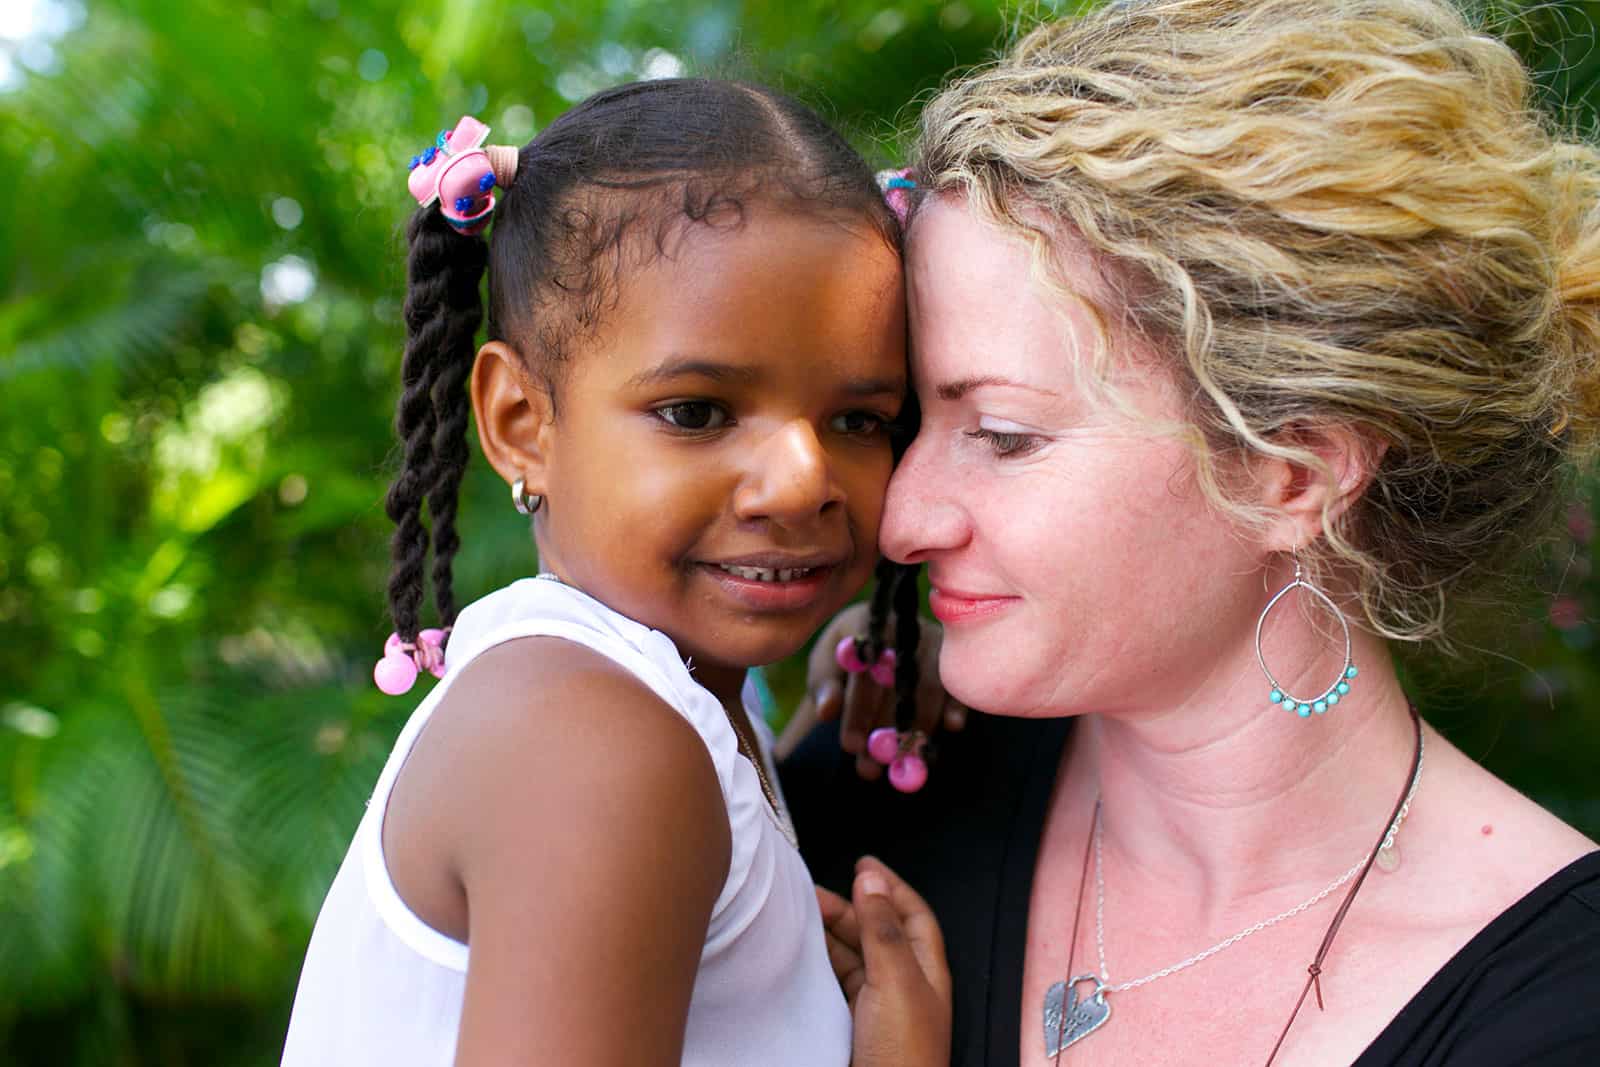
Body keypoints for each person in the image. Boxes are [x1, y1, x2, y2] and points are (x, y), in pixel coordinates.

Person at [784, 0, 1600, 1063]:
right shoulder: (874, 806)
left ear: (1288, 473)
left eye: (1002, 433)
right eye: (904, 421)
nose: (900, 519)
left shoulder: (1555, 1015)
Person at [279, 79, 950, 1066]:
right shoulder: (595, 746)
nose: (802, 481)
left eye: (859, 419)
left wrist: (828, 696)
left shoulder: (653, 705)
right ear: (520, 422)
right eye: (696, 411)